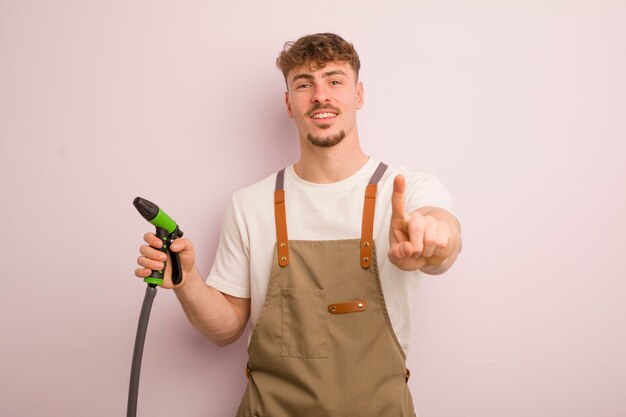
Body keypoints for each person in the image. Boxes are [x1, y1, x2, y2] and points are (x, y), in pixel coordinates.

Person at [135, 33, 462, 417]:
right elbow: (224, 330)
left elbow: (443, 239)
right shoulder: (249, 205)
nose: (321, 95)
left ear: (358, 95)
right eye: (305, 84)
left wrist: (434, 243)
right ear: (290, 103)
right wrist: (187, 281)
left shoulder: (406, 191)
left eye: (334, 80)